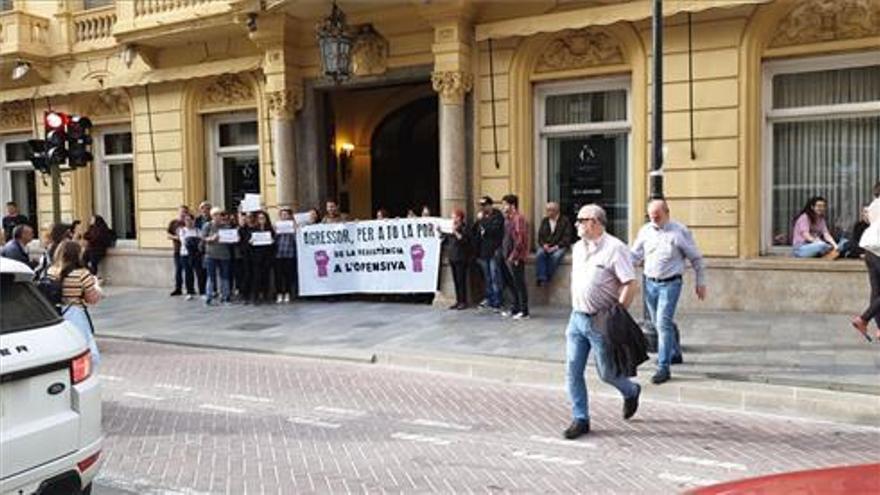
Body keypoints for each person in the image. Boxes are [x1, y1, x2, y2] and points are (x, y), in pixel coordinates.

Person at [564, 204, 641, 440]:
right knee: (572, 370)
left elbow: (630, 283)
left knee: (607, 373)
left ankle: (631, 390)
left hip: (601, 320)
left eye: (581, 220)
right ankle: (581, 418)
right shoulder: (578, 248)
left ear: (595, 222)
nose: (577, 224)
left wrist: (617, 315)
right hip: (577, 318)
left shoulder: (615, 248)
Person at [631, 199, 707, 385]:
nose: (654, 219)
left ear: (667, 212)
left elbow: (696, 258)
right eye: (651, 216)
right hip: (650, 283)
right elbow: (635, 255)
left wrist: (701, 282)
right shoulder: (645, 231)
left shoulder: (679, 232)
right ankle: (674, 353)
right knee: (659, 323)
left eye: (657, 215)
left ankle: (663, 368)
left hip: (670, 284)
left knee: (662, 323)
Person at [48, 240, 102, 366]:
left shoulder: (51, 271)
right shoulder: (82, 274)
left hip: (57, 313)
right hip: (75, 313)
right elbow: (92, 299)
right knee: (82, 346)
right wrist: (97, 287)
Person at [852, 182, 880, 342]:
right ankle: (863, 319)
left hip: (869, 250)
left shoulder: (873, 205)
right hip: (879, 250)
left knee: (876, 291)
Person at [473, 196, 505, 312]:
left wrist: (482, 221)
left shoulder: (497, 216)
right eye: (481, 205)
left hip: (494, 250)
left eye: (484, 205)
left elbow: (494, 231)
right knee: (487, 277)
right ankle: (489, 298)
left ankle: (498, 301)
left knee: (495, 276)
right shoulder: (481, 217)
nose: (482, 208)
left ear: (490, 205)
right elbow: (476, 233)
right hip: (483, 252)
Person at [500, 194, 529, 320]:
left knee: (519, 284)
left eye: (505, 204)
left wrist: (515, 256)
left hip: (516, 257)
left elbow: (520, 239)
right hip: (508, 256)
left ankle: (524, 311)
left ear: (512, 205)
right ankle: (515, 308)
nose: (503, 207)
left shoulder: (518, 218)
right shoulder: (509, 219)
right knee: (512, 283)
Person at [536, 201, 574, 286]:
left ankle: (546, 277)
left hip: (560, 246)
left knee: (555, 256)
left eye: (550, 210)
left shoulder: (565, 221)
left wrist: (556, 247)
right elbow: (540, 237)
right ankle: (542, 277)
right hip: (547, 245)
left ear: (556, 211)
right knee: (539, 254)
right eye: (547, 210)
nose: (548, 212)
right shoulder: (545, 221)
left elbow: (567, 238)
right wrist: (544, 245)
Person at [201, 207, 233, 306]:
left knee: (225, 276)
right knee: (211, 276)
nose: (218, 216)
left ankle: (225, 296)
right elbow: (203, 238)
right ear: (212, 216)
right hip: (211, 254)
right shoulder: (208, 225)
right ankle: (209, 296)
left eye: (219, 214)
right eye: (216, 214)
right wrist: (211, 238)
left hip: (224, 255)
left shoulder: (226, 226)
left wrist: (234, 238)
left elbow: (231, 239)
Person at [444, 208, 471, 310]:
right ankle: (458, 300)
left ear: (459, 218)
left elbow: (464, 240)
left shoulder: (464, 228)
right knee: (456, 280)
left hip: (461, 258)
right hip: (452, 257)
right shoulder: (450, 228)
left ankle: (463, 301)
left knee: (461, 280)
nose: (453, 219)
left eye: (454, 217)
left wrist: (455, 231)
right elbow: (446, 240)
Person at [248, 210, 275, 305]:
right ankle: (255, 297)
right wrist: (251, 242)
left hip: (267, 257)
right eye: (259, 218)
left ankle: (266, 296)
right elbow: (250, 244)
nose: (261, 220)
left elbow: (274, 244)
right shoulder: (254, 229)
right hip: (257, 257)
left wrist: (272, 241)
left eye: (263, 218)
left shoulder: (270, 230)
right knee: (256, 277)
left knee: (266, 277)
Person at [275, 208, 297, 304]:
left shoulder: (292, 225)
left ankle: (288, 292)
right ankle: (279, 293)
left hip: (289, 253)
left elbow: (296, 239)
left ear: (289, 216)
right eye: (282, 215)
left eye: (286, 215)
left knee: (288, 275)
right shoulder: (277, 225)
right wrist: (275, 231)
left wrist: (295, 230)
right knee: (279, 275)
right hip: (278, 254)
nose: (284, 216)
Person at [167, 205, 190, 296]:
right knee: (178, 270)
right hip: (177, 250)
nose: (183, 214)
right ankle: (178, 288)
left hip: (187, 250)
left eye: (185, 212)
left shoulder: (188, 222)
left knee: (188, 270)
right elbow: (168, 235)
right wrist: (177, 237)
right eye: (182, 211)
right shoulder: (173, 223)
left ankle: (189, 289)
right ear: (178, 212)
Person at [177, 213, 200, 300]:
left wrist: (193, 242)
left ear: (194, 221)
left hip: (196, 255)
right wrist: (194, 242)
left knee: (199, 272)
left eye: (190, 220)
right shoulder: (182, 230)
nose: (189, 222)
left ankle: (202, 291)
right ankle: (190, 291)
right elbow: (184, 241)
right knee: (188, 273)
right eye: (187, 220)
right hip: (185, 254)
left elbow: (200, 241)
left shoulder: (198, 230)